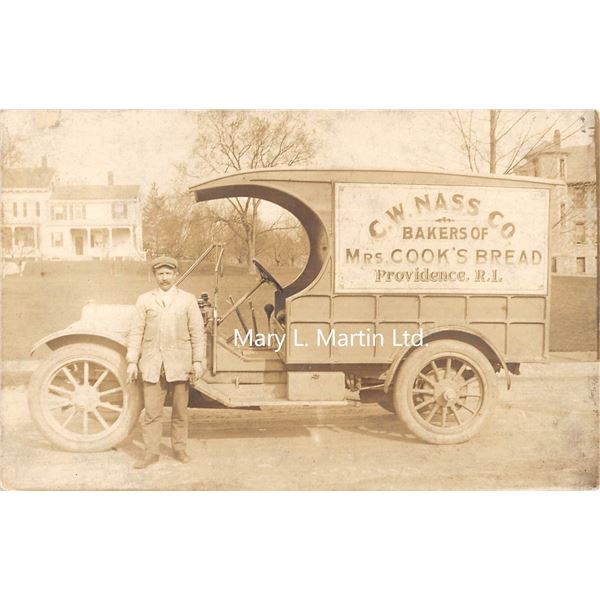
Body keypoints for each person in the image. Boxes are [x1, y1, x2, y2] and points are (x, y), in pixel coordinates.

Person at [126, 256, 206, 469]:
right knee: (152, 413)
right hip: (152, 365)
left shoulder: (187, 300)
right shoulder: (144, 300)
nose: (164, 278)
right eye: (160, 274)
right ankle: (151, 453)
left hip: (180, 364)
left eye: (168, 273)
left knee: (180, 412)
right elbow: (136, 331)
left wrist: (198, 360)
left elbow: (198, 331)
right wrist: (132, 361)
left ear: (176, 275)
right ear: (155, 276)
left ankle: (179, 449)